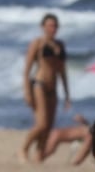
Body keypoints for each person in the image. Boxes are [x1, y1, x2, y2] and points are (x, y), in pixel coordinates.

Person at [19, 13, 71, 163]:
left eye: (55, 26)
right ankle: (23, 149)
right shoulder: (37, 43)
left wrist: (67, 94)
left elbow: (62, 71)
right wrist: (27, 92)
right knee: (41, 124)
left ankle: (39, 156)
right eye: (49, 25)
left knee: (48, 126)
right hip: (39, 84)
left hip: (53, 87)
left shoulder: (60, 45)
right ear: (43, 27)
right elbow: (27, 70)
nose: (52, 28)